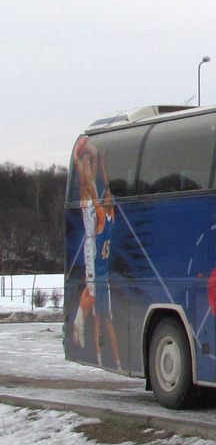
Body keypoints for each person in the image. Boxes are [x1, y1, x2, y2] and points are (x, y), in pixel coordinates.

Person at [71, 136, 121, 370]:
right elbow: (98, 188)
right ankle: (78, 324)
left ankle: (78, 323)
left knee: (92, 298)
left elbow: (103, 189)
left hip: (98, 258)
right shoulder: (103, 214)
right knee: (91, 296)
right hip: (93, 250)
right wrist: (93, 162)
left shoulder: (104, 214)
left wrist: (94, 161)